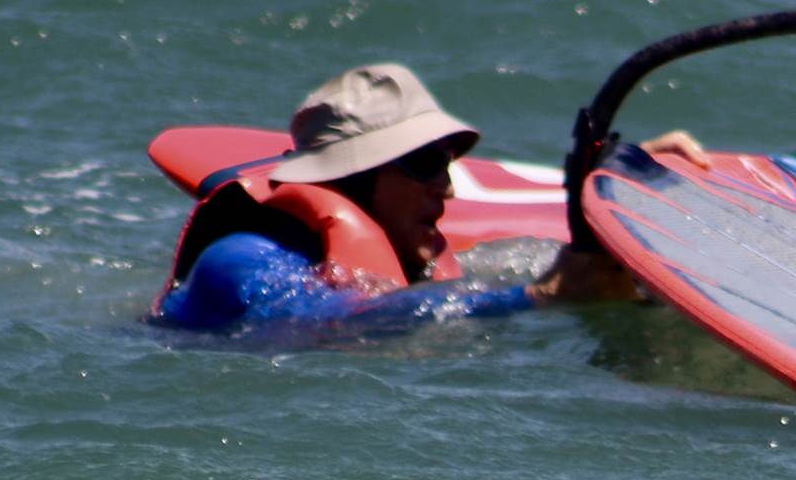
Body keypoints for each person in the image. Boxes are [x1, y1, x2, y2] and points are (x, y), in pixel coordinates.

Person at [151, 63, 631, 332]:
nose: (447, 187)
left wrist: (605, 253)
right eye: (424, 164)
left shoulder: (407, 267)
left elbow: (518, 270)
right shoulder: (240, 261)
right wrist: (539, 298)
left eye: (447, 162)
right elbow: (329, 326)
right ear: (351, 176)